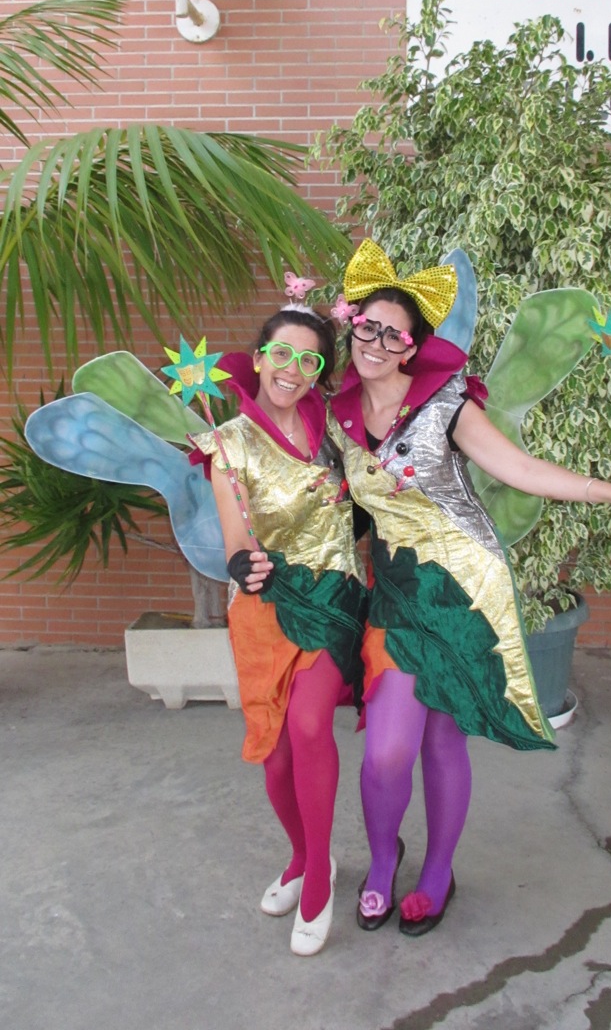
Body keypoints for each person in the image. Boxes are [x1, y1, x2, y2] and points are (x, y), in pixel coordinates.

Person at [327, 240, 611, 937]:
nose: (378, 341)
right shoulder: (334, 415)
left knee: (441, 741)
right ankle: (383, 861)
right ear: (350, 325)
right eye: (369, 326)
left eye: (395, 333)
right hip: (395, 591)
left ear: (413, 346)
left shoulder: (445, 404)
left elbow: (519, 469)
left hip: (464, 590)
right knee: (388, 748)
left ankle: (439, 872)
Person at [190, 303, 366, 958]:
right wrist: (245, 563)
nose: (293, 369)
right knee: (277, 756)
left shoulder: (335, 433)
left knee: (312, 724)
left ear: (321, 374)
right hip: (264, 610)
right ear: (260, 358)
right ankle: (303, 857)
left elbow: (372, 493)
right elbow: (236, 534)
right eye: (282, 354)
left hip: (335, 599)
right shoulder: (227, 443)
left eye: (310, 359)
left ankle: (319, 877)